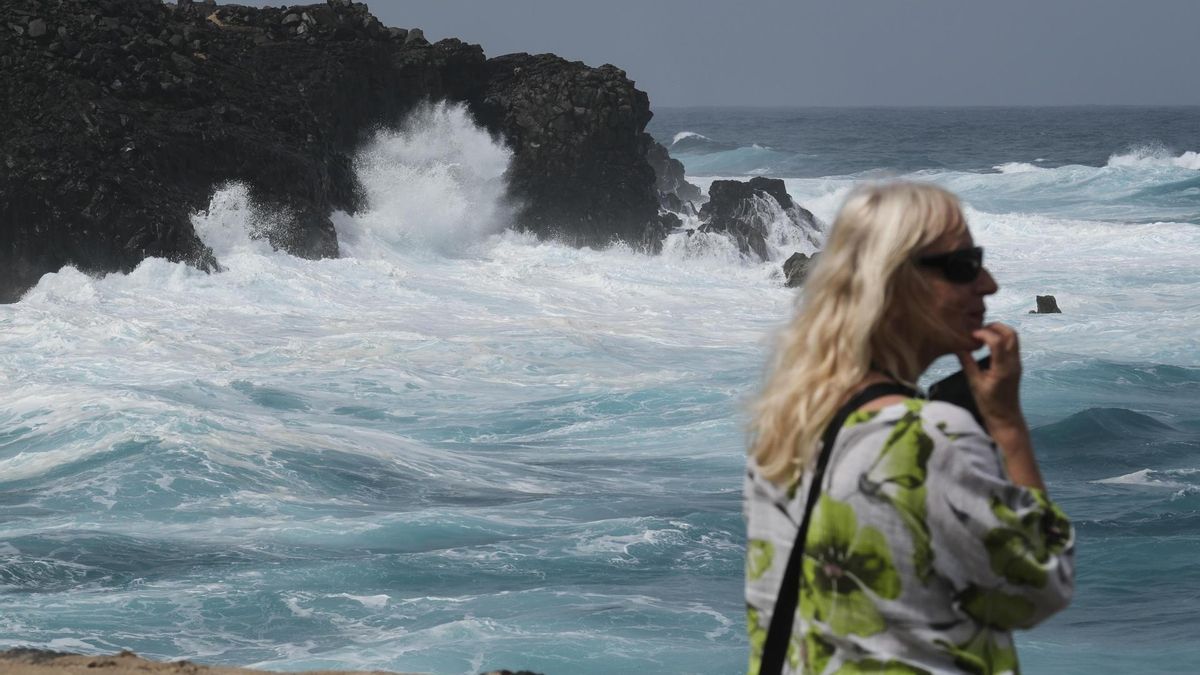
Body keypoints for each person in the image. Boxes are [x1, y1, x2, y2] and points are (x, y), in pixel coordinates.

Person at [744, 182, 1074, 675]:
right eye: (964, 266)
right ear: (896, 285)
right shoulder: (930, 437)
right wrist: (1007, 425)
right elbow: (1042, 586)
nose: (988, 284)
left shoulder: (787, 428)